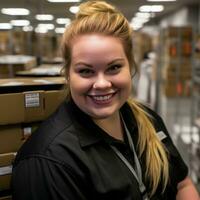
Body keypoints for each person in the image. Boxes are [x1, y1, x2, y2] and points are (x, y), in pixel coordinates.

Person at [11, 1, 199, 200]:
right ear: (67, 75)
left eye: (114, 67)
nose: (101, 84)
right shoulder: (48, 161)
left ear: (130, 66)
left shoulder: (147, 119)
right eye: (86, 71)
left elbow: (182, 184)